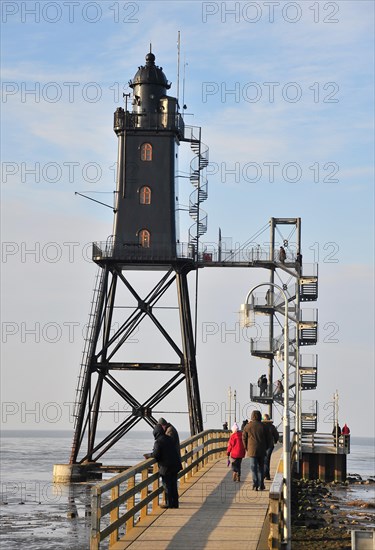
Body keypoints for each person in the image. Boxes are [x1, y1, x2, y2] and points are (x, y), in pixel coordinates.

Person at [144, 424, 182, 509]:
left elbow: (156, 454)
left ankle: (169, 504)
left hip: (166, 467)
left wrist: (148, 455)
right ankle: (175, 504)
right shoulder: (169, 438)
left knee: (167, 486)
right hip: (175, 465)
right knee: (173, 485)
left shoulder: (158, 441)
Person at [242, 410, 271, 491]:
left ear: (252, 416)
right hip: (262, 450)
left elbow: (243, 438)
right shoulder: (264, 426)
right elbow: (269, 439)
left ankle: (255, 484)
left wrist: (246, 448)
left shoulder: (248, 426)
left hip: (251, 450)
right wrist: (266, 447)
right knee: (261, 467)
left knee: (253, 468)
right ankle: (261, 484)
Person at [262, 414, 279, 480]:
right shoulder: (272, 427)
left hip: (263, 445)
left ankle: (265, 474)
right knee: (267, 459)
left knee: (265, 459)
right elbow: (276, 435)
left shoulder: (261, 426)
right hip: (270, 445)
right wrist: (275, 441)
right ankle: (267, 475)